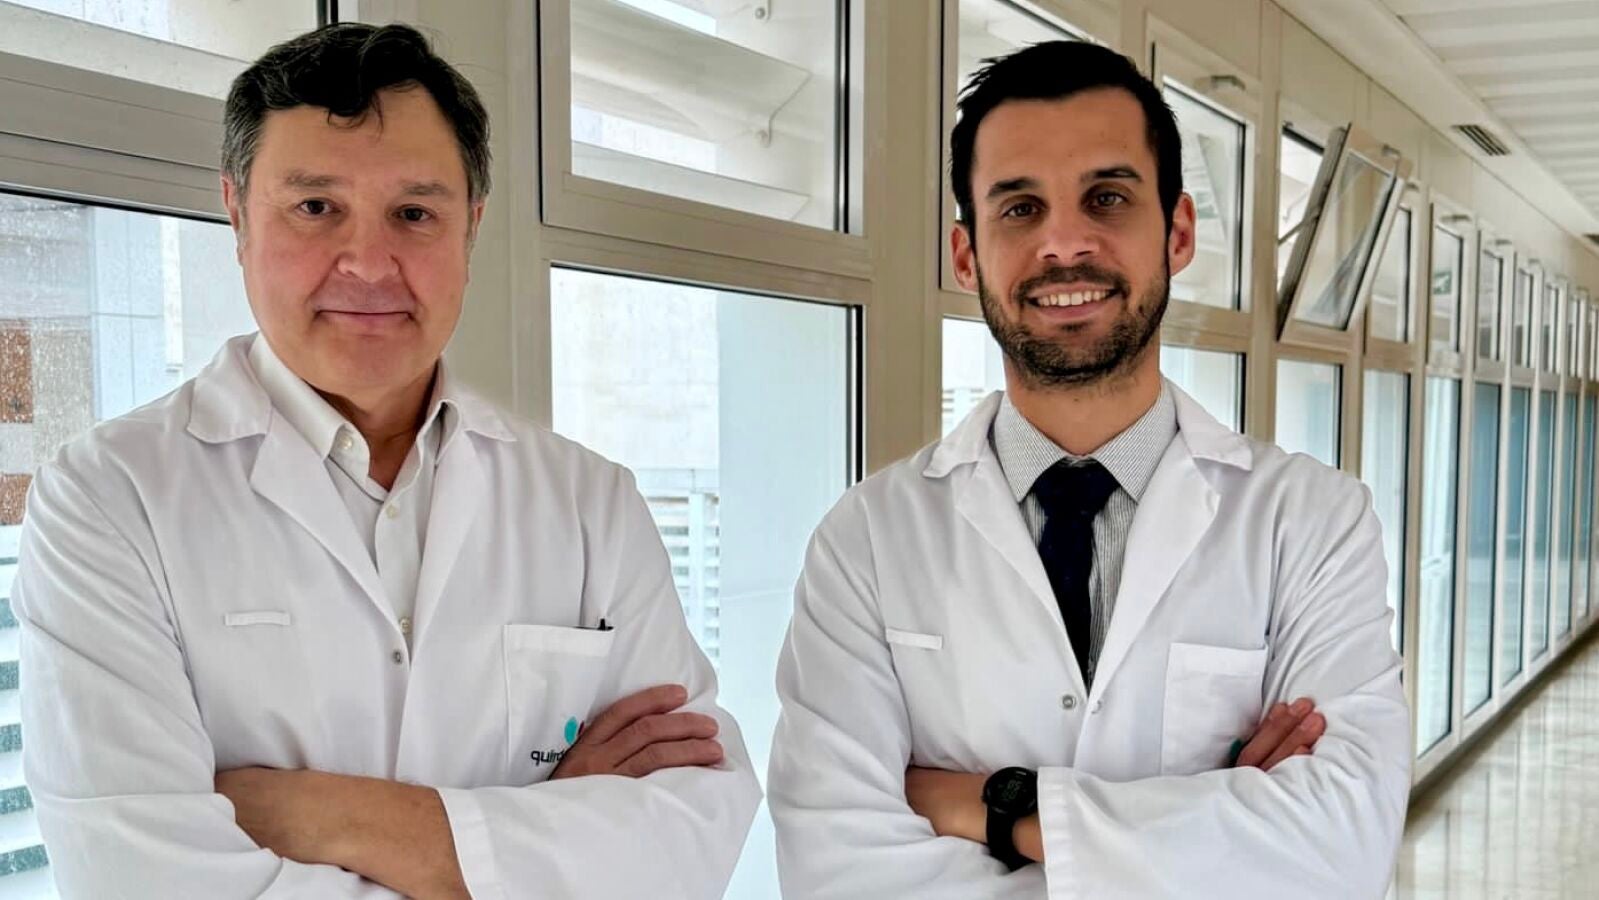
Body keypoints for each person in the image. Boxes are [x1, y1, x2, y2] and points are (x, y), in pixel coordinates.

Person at [14, 23, 758, 900]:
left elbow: (692, 836)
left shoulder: (589, 501)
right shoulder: (109, 500)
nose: (368, 265)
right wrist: (547, 831)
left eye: (414, 214)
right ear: (237, 214)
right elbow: (143, 879)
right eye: (315, 207)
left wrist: (328, 817)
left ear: (470, 227)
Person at [768, 40, 1409, 899]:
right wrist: (1216, 828)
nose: (1064, 243)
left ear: (1176, 233)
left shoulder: (1311, 520)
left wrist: (997, 810)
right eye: (1019, 208)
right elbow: (835, 867)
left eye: (1106, 198)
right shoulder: (866, 540)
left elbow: (1340, 847)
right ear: (966, 255)